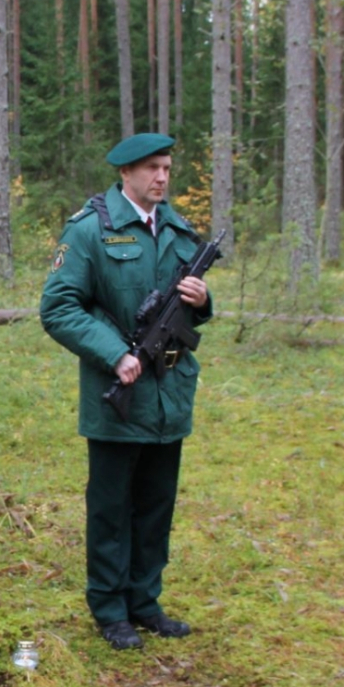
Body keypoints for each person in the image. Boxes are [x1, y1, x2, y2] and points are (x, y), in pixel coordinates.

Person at [39, 132, 212, 651]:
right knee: (112, 507)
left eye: (167, 168)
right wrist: (115, 352)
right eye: (152, 168)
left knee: (157, 505)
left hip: (169, 396)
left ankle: (144, 602)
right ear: (125, 173)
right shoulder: (92, 231)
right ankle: (110, 608)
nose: (162, 177)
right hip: (119, 393)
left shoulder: (180, 231)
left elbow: (191, 310)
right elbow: (58, 307)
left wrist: (202, 301)